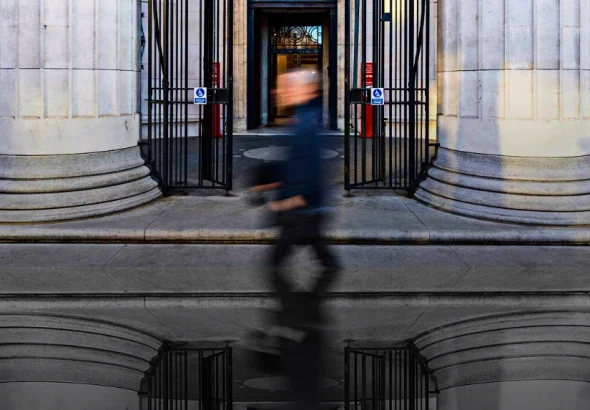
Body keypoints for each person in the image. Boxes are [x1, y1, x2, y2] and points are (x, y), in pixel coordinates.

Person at [247, 68, 341, 410]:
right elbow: (297, 166)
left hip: (302, 211)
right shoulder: (307, 117)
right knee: (323, 262)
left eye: (284, 86)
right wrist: (272, 185)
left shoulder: (306, 123)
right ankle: (306, 320)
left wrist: (287, 200)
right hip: (308, 213)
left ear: (302, 89)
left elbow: (309, 171)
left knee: (274, 267)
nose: (277, 91)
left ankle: (299, 320)